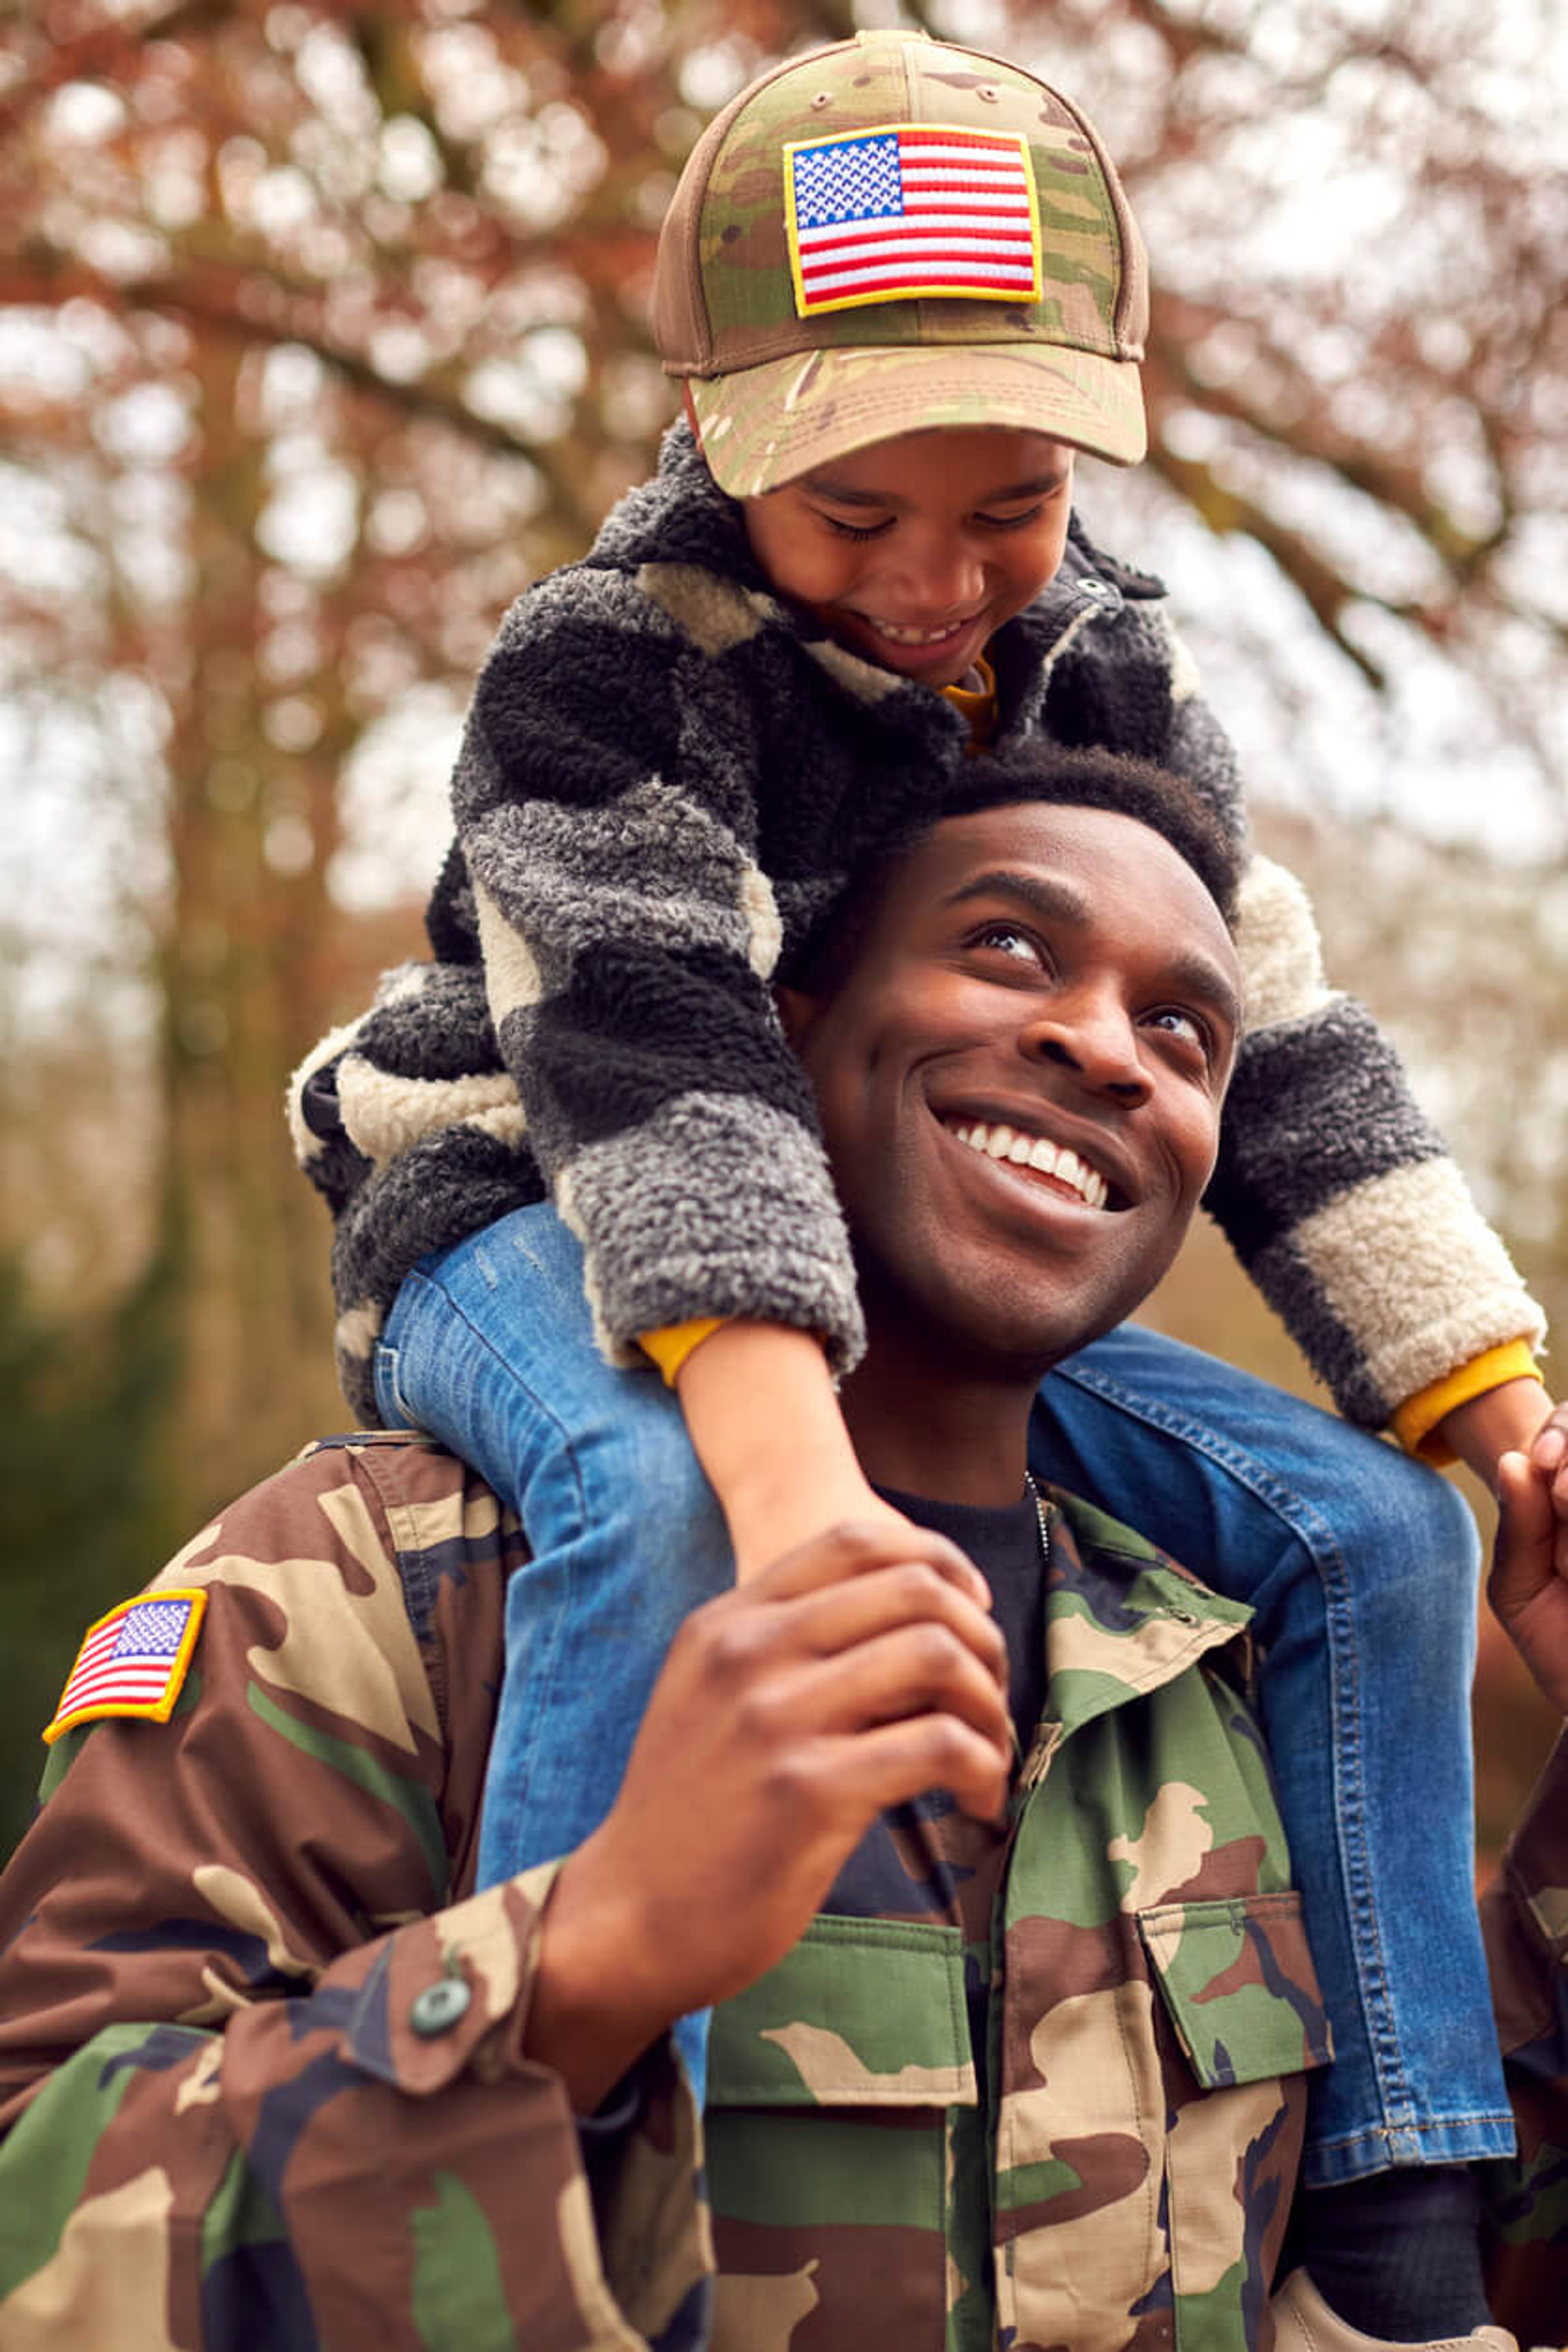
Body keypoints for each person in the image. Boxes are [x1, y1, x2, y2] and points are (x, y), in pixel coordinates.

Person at [286, 29, 1562, 2335]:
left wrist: (1487, 1405)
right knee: (665, 1512)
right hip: (515, 1191)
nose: (935, 584)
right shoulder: (607, 668)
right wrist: (797, 1506)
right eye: (854, 518)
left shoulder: (1113, 679)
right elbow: (653, 1060)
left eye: (1008, 512)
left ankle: (1399, 2206)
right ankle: (594, 2170)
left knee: (1382, 1535)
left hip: (863, 1253)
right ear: (711, 427)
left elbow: (1280, 1045)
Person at [2, 757, 1541, 2350]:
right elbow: (40, 2245)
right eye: (1008, 947)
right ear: (774, 1027)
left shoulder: (1246, 1667)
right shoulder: (377, 1589)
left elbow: (1463, 2266)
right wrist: (578, 1964)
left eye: (1186, 1034)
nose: (1106, 1045)